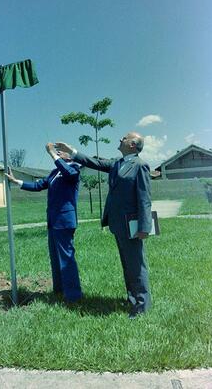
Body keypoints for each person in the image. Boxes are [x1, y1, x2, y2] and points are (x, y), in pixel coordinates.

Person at [56, 132, 152, 318]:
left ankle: (142, 307)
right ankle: (132, 298)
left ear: (132, 145)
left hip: (132, 225)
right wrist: (72, 151)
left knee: (136, 265)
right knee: (127, 264)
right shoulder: (117, 163)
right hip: (118, 224)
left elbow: (145, 198)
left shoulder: (140, 165)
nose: (120, 139)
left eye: (123, 138)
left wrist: (144, 227)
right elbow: (95, 163)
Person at [5, 143, 82, 303]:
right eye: (58, 151)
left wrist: (52, 154)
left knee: (67, 258)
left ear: (70, 155)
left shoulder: (74, 169)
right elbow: (39, 185)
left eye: (62, 151)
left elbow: (67, 173)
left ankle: (73, 296)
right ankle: (59, 291)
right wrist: (16, 181)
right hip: (53, 222)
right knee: (55, 258)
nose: (59, 152)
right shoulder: (55, 173)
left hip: (64, 221)